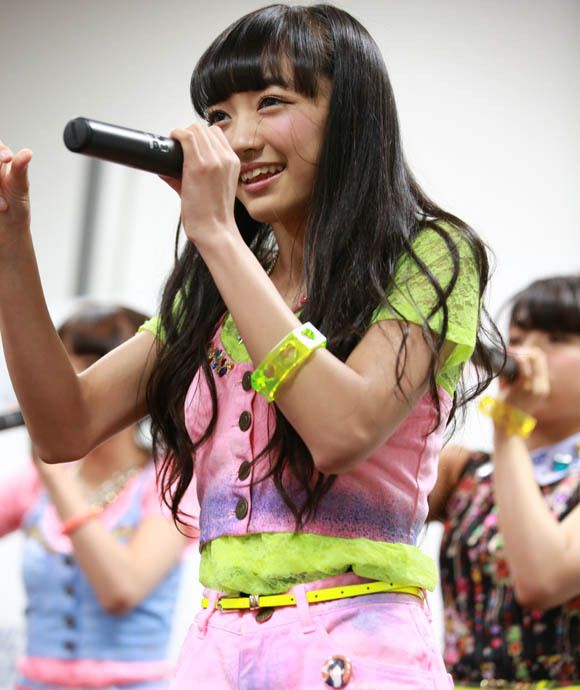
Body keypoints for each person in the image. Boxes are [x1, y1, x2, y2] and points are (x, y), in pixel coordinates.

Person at [0, 4, 497, 688]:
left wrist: (216, 233)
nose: (239, 140)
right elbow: (64, 427)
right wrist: (11, 244)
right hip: (216, 645)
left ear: (351, 115)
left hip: (356, 640)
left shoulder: (431, 256)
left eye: (271, 103)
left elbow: (342, 431)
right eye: (220, 116)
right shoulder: (217, 287)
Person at [0, 302, 198, 690]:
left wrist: (54, 473)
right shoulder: (33, 481)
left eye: (84, 369)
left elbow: (122, 589)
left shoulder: (170, 480)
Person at [429, 274, 580, 688]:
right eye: (516, 338)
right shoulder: (465, 471)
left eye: (557, 339)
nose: (527, 353)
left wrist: (509, 426)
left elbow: (542, 579)